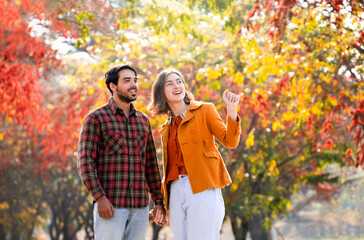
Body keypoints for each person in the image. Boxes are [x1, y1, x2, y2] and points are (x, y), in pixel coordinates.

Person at [148, 68, 241, 240]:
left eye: (179, 81)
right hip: (175, 191)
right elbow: (168, 168)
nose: (176, 86)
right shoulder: (166, 128)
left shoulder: (205, 110)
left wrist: (231, 110)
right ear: (162, 92)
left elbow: (230, 141)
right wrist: (161, 202)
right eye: (169, 84)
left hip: (203, 186)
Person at [77, 64, 166, 240]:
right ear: (113, 86)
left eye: (135, 81)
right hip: (111, 206)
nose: (133, 85)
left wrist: (158, 201)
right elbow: (85, 163)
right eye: (127, 81)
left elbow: (151, 165)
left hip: (140, 208)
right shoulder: (96, 119)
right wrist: (99, 197)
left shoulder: (143, 121)